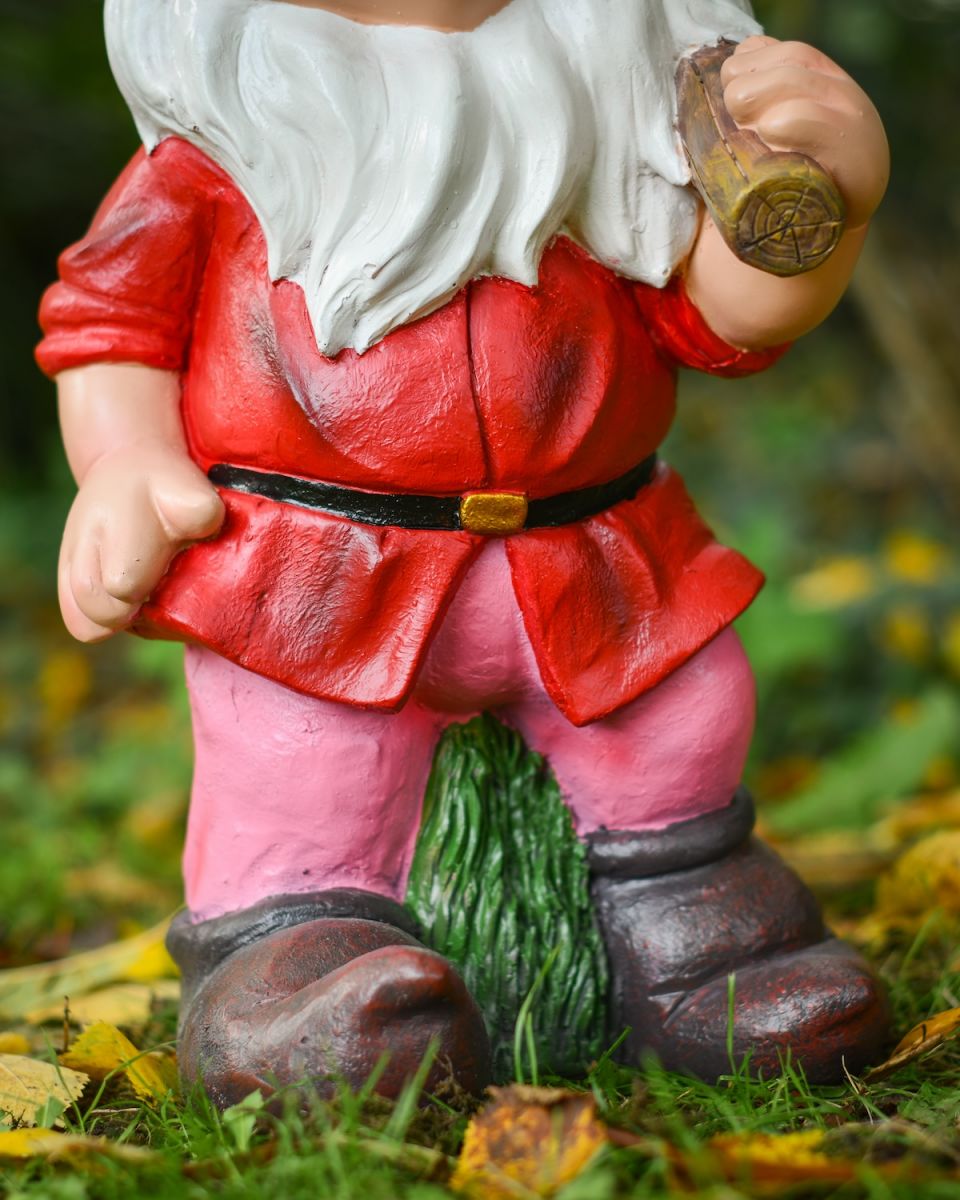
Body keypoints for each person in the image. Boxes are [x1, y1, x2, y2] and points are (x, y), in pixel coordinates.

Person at [37, 0, 892, 1104]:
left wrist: (832, 195)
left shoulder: (620, 130)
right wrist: (123, 457)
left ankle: (711, 941)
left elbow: (727, 318)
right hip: (315, 573)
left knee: (677, 722)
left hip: (595, 551)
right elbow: (110, 321)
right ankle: (299, 978)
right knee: (301, 771)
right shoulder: (214, 158)